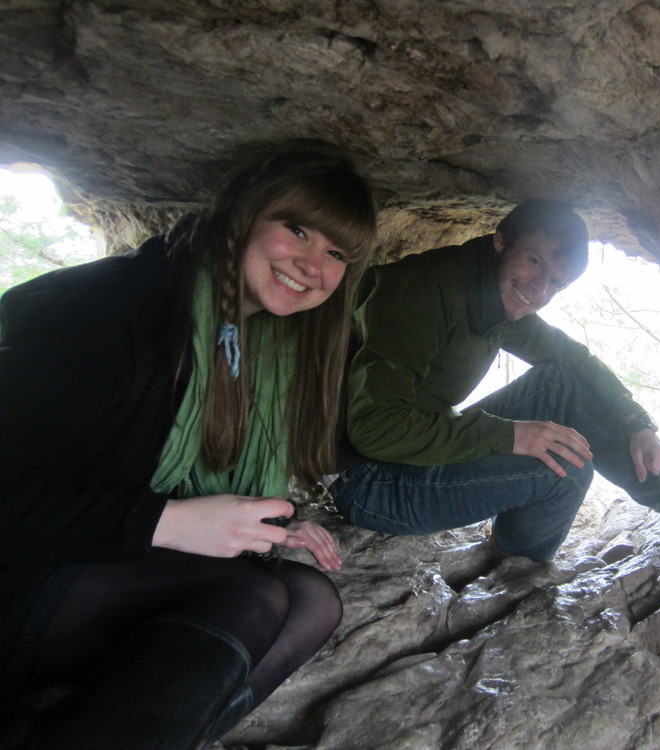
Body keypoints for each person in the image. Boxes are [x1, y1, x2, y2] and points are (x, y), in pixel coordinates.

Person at [0, 139, 377, 749]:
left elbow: (190, 471)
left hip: (93, 561)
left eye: (336, 253)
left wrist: (261, 523)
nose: (314, 266)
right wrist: (166, 522)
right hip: (24, 570)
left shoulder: (260, 344)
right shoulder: (109, 309)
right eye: (298, 230)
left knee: (312, 600)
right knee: (250, 594)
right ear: (243, 213)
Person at [333, 199, 660, 562]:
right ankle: (513, 568)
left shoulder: (491, 292)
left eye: (556, 283)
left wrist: (637, 423)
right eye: (534, 262)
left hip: (411, 451)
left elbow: (573, 361)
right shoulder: (424, 292)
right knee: (566, 467)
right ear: (500, 240)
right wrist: (511, 435)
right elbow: (375, 430)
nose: (539, 290)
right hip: (369, 480)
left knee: (559, 383)